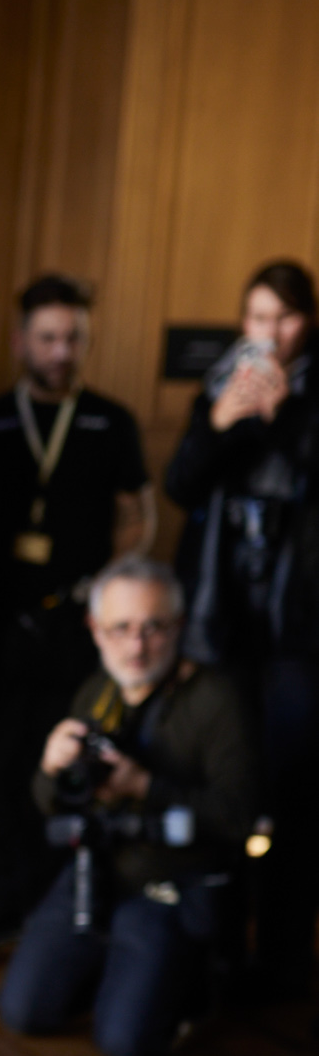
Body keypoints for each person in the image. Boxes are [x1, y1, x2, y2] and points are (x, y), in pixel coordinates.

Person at [0, 274, 153, 949]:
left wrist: (107, 593)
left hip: (72, 626)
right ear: (21, 342)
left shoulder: (108, 419)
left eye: (72, 338)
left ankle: (47, 900)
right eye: (47, 338)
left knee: (61, 765)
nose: (61, 351)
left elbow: (137, 516)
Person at [0, 557, 257, 1056]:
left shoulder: (216, 699)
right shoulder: (98, 693)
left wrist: (145, 785)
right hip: (96, 872)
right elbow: (49, 801)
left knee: (126, 1044)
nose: (136, 646)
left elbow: (240, 816)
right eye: (120, 628)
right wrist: (51, 769)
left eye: (154, 627)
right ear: (95, 630)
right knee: (24, 1012)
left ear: (179, 626)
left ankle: (187, 981)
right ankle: (111, 970)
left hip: (168, 886)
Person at [166, 259, 319, 998]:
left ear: (307, 322)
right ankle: (218, 951)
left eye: (284, 319)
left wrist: (284, 412)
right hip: (220, 623)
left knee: (290, 797)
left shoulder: (310, 395)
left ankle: (282, 961)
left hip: (297, 631)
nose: (270, 334)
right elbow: (180, 484)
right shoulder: (219, 385)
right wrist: (223, 421)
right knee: (225, 781)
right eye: (257, 318)